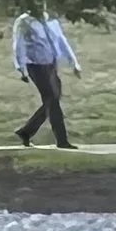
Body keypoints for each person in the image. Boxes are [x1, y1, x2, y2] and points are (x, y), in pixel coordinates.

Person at [11, 11, 80, 147]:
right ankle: (62, 140)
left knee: (52, 100)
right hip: (36, 66)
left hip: (52, 65)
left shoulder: (51, 20)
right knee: (52, 101)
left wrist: (74, 63)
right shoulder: (24, 22)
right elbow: (19, 46)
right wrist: (22, 69)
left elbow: (61, 41)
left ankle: (26, 131)